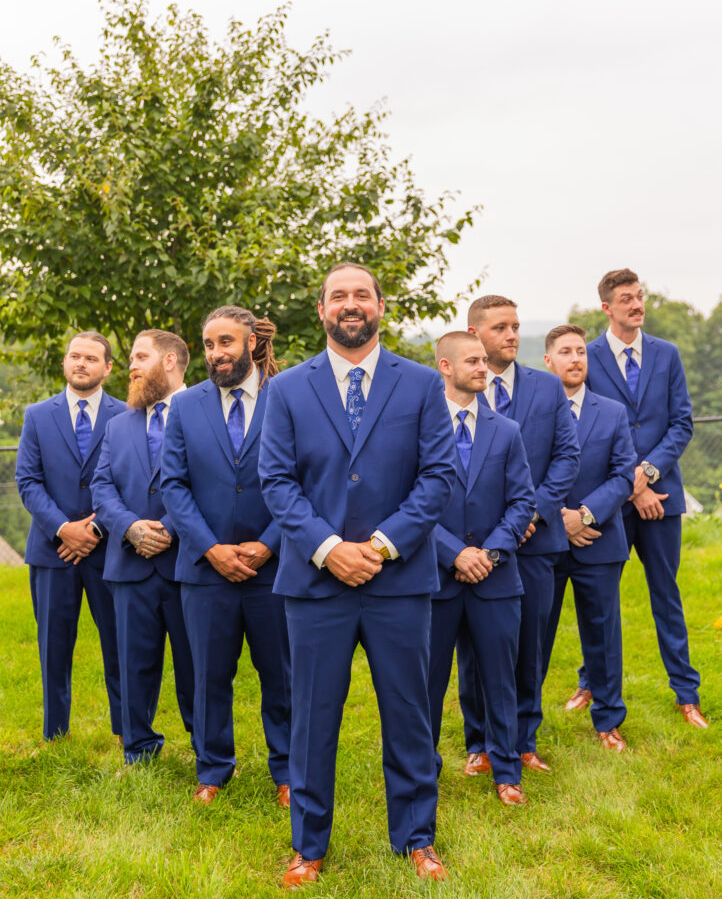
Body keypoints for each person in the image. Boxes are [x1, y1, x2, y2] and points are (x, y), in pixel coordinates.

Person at [258, 262, 457, 888]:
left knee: (409, 714)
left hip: (398, 581)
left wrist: (379, 544)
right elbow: (277, 482)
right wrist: (327, 548)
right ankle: (308, 848)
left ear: (379, 307)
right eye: (338, 295)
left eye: (361, 295)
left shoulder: (422, 384)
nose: (351, 304)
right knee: (314, 717)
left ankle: (416, 839)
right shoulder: (288, 389)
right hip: (316, 586)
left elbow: (438, 476)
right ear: (321, 309)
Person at [160, 308, 291, 804]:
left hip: (275, 568)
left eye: (225, 343)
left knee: (282, 675)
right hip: (204, 568)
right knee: (208, 674)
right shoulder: (186, 405)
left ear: (253, 342)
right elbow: (172, 483)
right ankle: (213, 769)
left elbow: (307, 480)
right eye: (209, 345)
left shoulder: (289, 397)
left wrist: (268, 543)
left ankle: (286, 771)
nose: (215, 354)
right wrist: (210, 548)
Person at [572, 269, 706, 727]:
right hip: (609, 499)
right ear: (607, 308)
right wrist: (631, 487)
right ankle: (591, 681)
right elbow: (587, 425)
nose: (636, 304)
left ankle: (686, 693)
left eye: (639, 296)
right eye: (626, 298)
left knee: (666, 594)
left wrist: (647, 476)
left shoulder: (667, 355)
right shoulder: (586, 357)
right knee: (599, 599)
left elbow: (681, 424)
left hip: (662, 495)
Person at [457, 295, 580, 774]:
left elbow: (567, 458)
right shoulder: (454, 388)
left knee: (531, 644)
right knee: (472, 647)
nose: (511, 335)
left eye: (516, 326)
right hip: (472, 544)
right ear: (474, 334)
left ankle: (524, 739)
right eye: (501, 327)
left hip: (535, 540)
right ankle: (479, 742)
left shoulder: (548, 390)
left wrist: (533, 512)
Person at [430, 332, 535, 805]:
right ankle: (421, 771)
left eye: (485, 361)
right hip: (434, 579)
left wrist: (488, 555)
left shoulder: (507, 431)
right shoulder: (421, 430)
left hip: (496, 578)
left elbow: (522, 503)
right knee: (425, 683)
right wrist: (453, 553)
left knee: (500, 678)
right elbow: (409, 504)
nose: (485, 367)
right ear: (445, 367)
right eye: (473, 360)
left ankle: (506, 772)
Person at [92, 329, 196, 770]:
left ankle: (207, 751)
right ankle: (138, 749)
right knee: (133, 665)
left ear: (169, 361)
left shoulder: (204, 412)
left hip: (190, 563)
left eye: (140, 356)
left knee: (196, 666)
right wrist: (131, 526)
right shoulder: (118, 425)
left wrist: (171, 529)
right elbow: (101, 486)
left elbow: (212, 483)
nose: (131, 365)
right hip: (129, 563)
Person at [15, 331, 125, 741]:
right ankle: (55, 736)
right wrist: (63, 528)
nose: (81, 363)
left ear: (108, 368)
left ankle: (126, 734)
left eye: (91, 358)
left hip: (109, 550)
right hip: (51, 550)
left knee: (118, 645)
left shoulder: (126, 414)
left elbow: (129, 480)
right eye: (75, 356)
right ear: (65, 362)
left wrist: (95, 527)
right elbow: (27, 480)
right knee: (53, 649)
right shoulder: (37, 415)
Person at [540, 325, 636, 750]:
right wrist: (556, 519)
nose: (575, 358)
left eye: (581, 351)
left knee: (602, 634)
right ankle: (524, 729)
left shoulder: (612, 411)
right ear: (548, 361)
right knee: (534, 635)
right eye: (565, 351)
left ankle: (608, 720)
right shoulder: (532, 410)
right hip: (544, 540)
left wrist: (584, 515)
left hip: (599, 537)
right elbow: (522, 470)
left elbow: (622, 475)